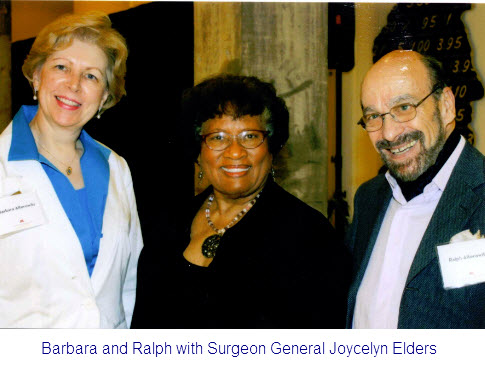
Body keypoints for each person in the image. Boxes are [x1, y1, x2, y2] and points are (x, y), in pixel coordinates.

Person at [131, 75, 350, 328]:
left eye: (250, 136)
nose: (235, 152)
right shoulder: (166, 224)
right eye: (218, 137)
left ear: (271, 147)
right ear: (199, 151)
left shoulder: (310, 236)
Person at [0, 12, 143, 328]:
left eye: (91, 76)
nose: (74, 85)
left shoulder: (117, 168)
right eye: (61, 67)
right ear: (36, 76)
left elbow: (128, 282)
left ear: (105, 95)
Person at [346, 50, 485, 328]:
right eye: (373, 116)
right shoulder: (369, 198)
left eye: (404, 108)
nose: (388, 133)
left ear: (446, 105)